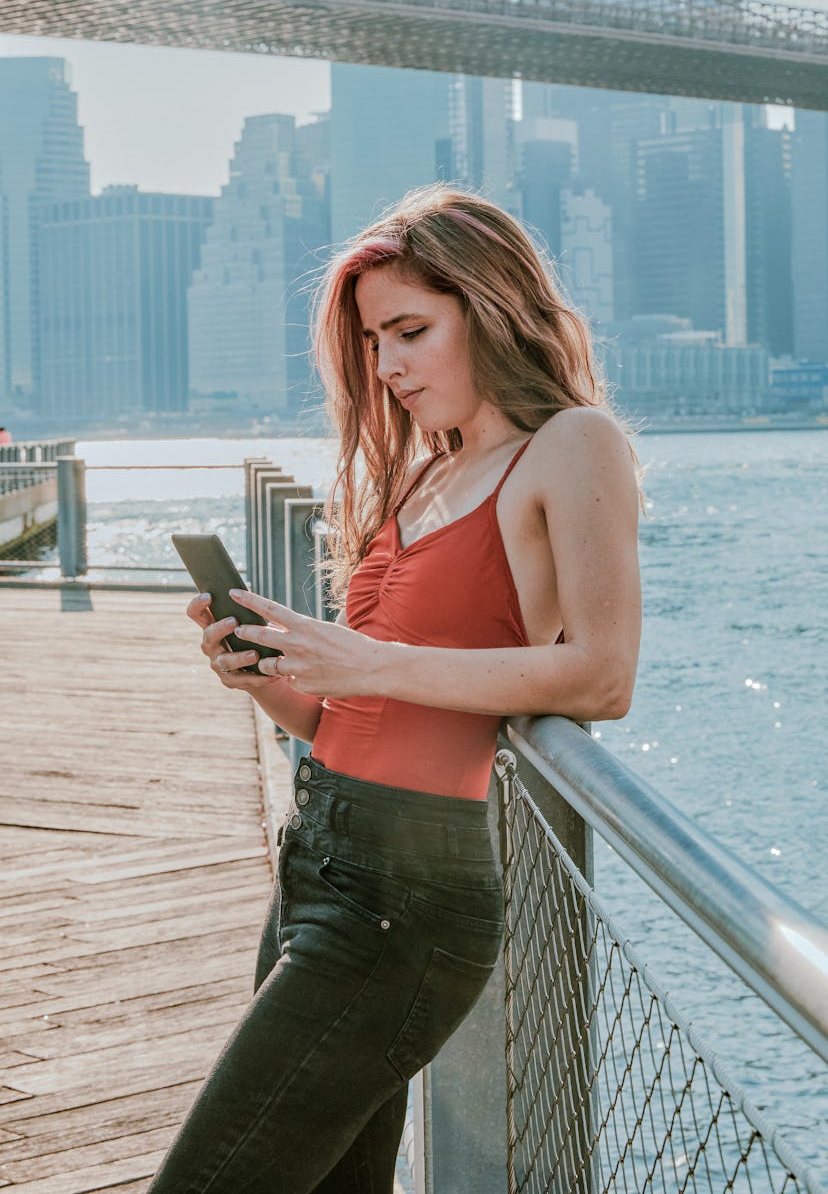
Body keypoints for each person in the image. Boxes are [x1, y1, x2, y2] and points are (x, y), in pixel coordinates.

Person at [150, 186, 641, 1193]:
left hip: (407, 900)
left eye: (411, 330)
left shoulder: (572, 445)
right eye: (375, 341)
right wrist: (267, 677)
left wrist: (369, 659)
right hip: (319, 857)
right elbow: (354, 720)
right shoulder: (425, 475)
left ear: (493, 306)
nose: (389, 367)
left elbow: (602, 671)